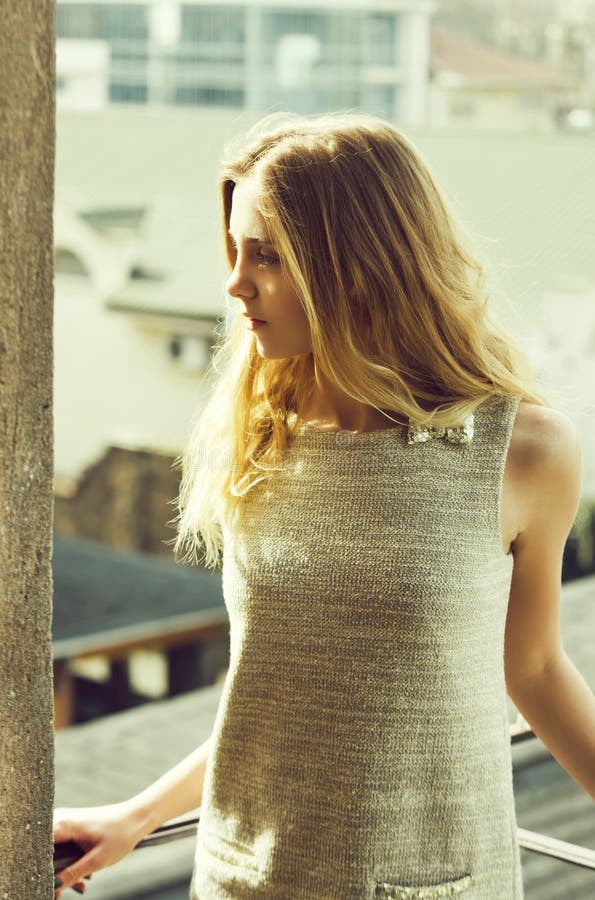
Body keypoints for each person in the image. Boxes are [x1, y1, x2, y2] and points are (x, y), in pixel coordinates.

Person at [53, 112, 595, 899]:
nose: (235, 282)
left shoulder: (520, 451)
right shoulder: (260, 436)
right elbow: (279, 703)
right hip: (242, 881)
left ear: (361, 263)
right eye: (235, 250)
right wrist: (137, 814)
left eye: (266, 256)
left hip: (434, 881)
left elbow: (536, 668)